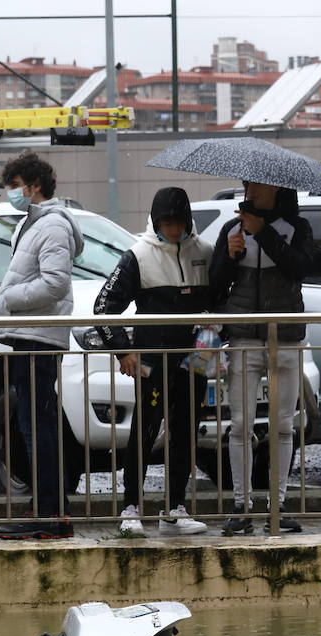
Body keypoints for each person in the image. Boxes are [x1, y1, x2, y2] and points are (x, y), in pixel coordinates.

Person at [93, 186, 213, 536]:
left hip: (196, 358)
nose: (174, 230)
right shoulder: (137, 256)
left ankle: (175, 507)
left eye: (179, 223)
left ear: (189, 221)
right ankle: (130, 508)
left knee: (186, 432)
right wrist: (123, 350)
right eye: (166, 223)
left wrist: (211, 340)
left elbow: (220, 302)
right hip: (150, 360)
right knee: (144, 433)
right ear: (156, 221)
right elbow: (103, 308)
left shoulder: (205, 252)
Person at [208, 181, 316, 535]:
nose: (250, 193)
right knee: (239, 424)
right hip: (244, 336)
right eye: (246, 187)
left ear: (277, 191)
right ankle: (241, 504)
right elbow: (216, 283)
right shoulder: (232, 227)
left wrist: (264, 233)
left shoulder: (297, 227)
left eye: (257, 187)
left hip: (285, 336)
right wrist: (230, 253)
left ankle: (278, 503)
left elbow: (300, 268)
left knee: (283, 424)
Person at [0, 152, 84, 540]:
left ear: (34, 185)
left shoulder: (52, 226)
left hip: (38, 337)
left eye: (14, 187)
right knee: (35, 423)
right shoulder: (35, 224)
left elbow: (55, 282)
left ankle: (49, 511)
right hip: (32, 335)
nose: (11, 194)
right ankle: (47, 507)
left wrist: (10, 297)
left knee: (37, 426)